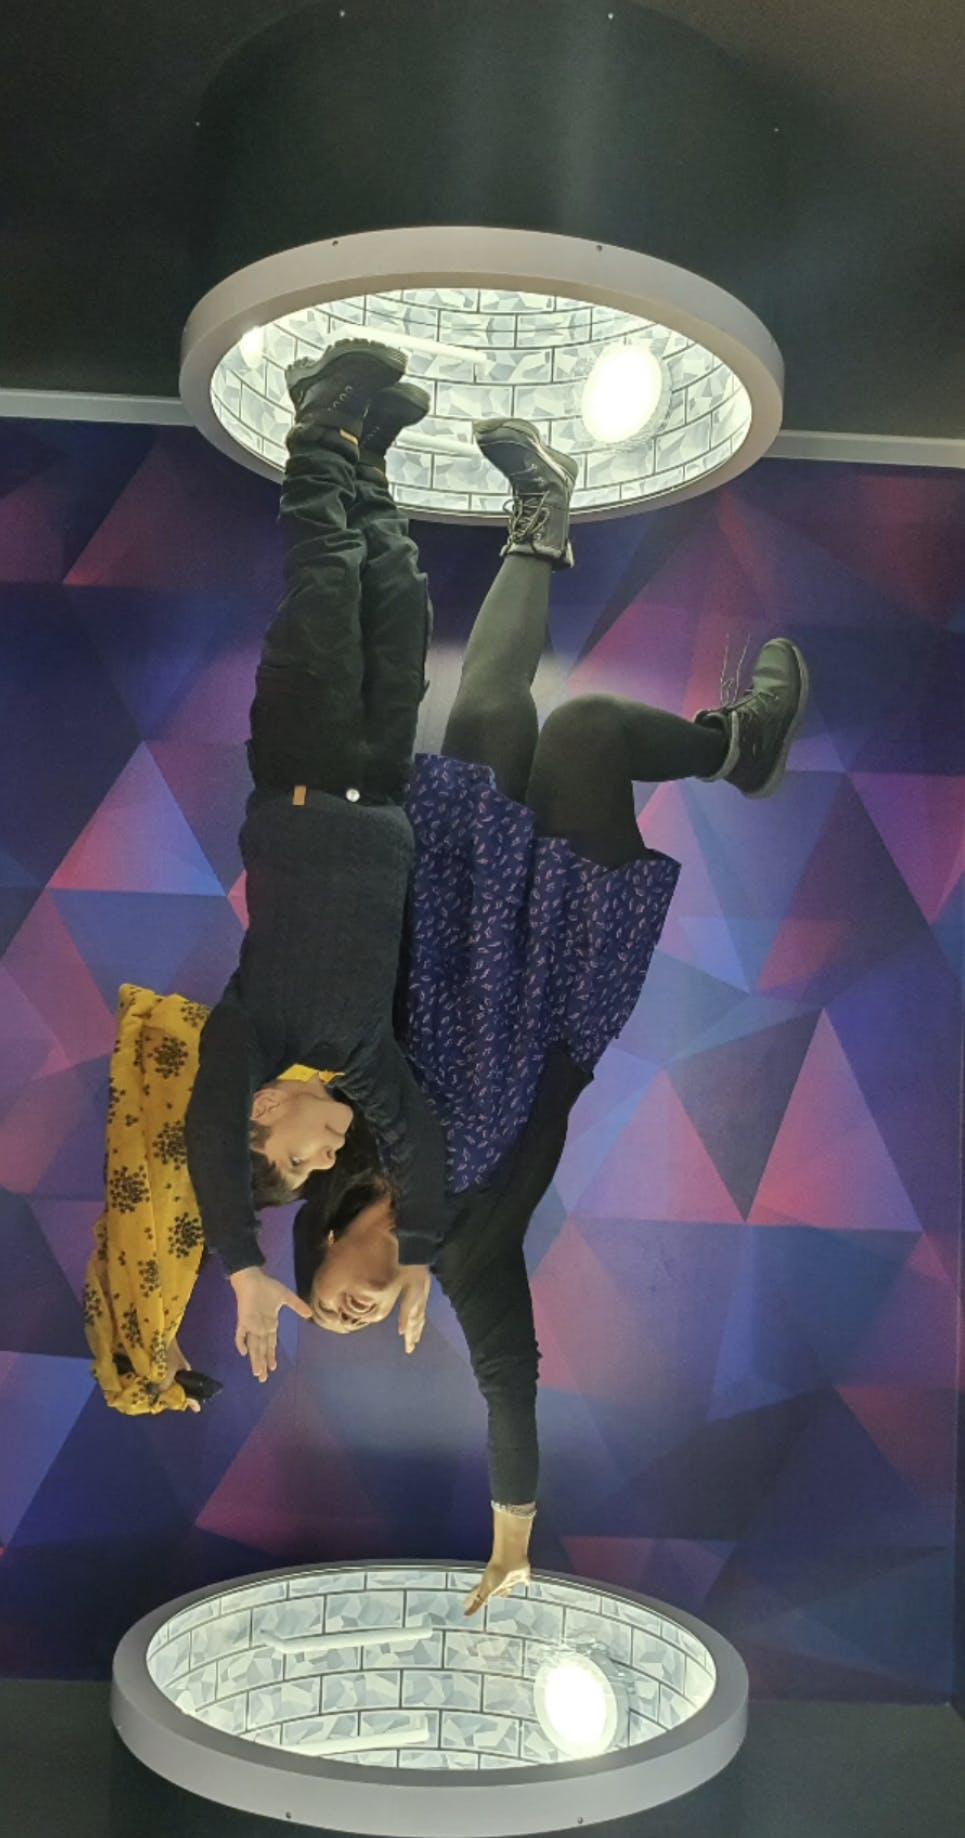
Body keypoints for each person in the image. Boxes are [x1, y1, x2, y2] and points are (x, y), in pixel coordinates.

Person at [290, 420, 810, 1613]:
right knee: (585, 732)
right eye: (349, 1323)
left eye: (324, 1302)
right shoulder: (468, 1255)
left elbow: (243, 1104)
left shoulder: (330, 1138)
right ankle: (736, 747)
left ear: (319, 1249)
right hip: (555, 974)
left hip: (456, 909)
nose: (344, 1314)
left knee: (484, 699)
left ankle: (542, 510)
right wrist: (511, 1541)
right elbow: (509, 1388)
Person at [183, 337, 453, 1383]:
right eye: (318, 1173)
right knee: (399, 598)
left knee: (328, 577)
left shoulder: (253, 1031)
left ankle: (321, 422)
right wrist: (417, 1251)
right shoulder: (360, 1059)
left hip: (301, 762)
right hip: (377, 784)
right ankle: (370, 453)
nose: (325, 1158)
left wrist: (246, 1268)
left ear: (263, 1111)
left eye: (298, 1159)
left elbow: (208, 1140)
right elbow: (416, 1144)